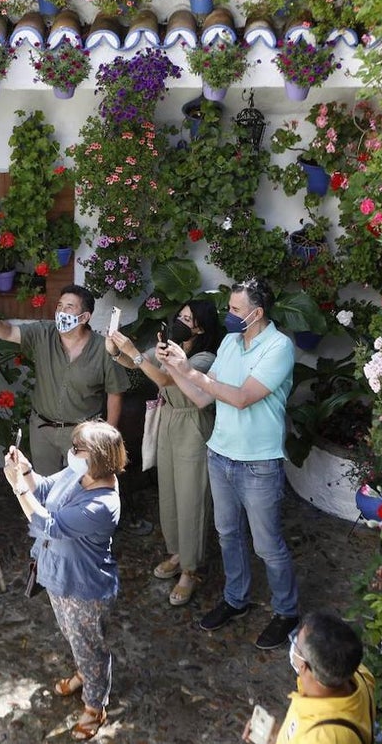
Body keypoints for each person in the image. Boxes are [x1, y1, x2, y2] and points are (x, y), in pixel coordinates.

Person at [155, 278, 300, 650]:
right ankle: (236, 599)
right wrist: (175, 369)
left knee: (267, 545)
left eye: (236, 310)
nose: (229, 315)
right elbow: (203, 397)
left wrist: (190, 371)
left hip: (258, 463)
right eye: (230, 308)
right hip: (220, 454)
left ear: (258, 313)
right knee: (228, 534)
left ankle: (286, 612)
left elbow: (240, 398)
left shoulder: (279, 347)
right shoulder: (230, 342)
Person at [4, 420, 125, 741]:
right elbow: (43, 490)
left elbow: (50, 525)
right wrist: (26, 472)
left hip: (85, 587)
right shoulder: (78, 473)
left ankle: (95, 705)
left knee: (91, 646)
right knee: (76, 638)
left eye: (77, 448)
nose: (71, 453)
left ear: (98, 457)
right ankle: (85, 672)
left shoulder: (103, 504)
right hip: (58, 575)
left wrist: (18, 487)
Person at [106, 299, 222, 607]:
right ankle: (178, 552)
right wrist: (117, 350)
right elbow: (137, 363)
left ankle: (191, 568)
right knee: (169, 492)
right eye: (180, 316)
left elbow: (166, 379)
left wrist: (135, 353)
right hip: (169, 420)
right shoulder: (169, 346)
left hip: (192, 425)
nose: (182, 322)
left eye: (190, 319)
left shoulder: (204, 357)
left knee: (191, 496)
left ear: (202, 327)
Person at [0, 285, 129, 475]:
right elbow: (9, 332)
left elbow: (115, 392)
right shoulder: (43, 333)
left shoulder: (103, 348)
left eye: (69, 307)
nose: (61, 311)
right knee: (45, 488)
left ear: (84, 317)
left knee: (79, 489)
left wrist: (108, 435)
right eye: (59, 306)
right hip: (42, 430)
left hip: (82, 434)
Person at [242, 610, 376, 744]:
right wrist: (277, 736)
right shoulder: (358, 673)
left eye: (296, 645)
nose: (293, 646)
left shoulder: (324, 738)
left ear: (303, 666)